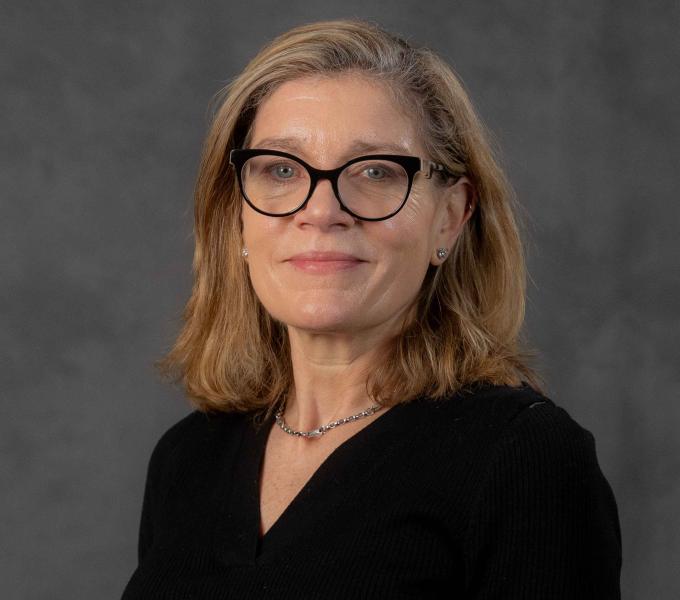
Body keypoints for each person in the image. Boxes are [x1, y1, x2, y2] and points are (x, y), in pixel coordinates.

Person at [121, 19, 621, 599]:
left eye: (375, 172)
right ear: (237, 215)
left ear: (450, 216)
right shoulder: (188, 458)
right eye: (281, 170)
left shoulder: (522, 458)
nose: (322, 210)